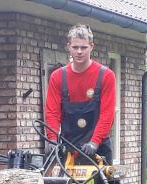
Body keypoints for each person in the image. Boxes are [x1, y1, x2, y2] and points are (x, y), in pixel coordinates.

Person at [45, 24, 116, 164]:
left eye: (83, 47)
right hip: (68, 147)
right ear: (68, 47)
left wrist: (95, 142)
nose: (79, 51)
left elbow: (107, 114)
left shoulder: (106, 76)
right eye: (75, 47)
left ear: (91, 47)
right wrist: (52, 140)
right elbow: (52, 113)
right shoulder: (57, 77)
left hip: (98, 148)